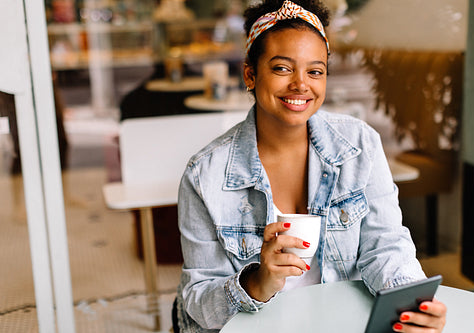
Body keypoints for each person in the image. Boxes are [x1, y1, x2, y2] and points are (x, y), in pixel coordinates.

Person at [172, 1, 447, 332]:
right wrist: (258, 282)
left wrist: (414, 304)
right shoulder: (205, 175)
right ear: (250, 74)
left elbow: (386, 247)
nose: (301, 85)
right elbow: (199, 301)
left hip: (336, 321)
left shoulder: (360, 144)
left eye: (315, 71)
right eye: (282, 68)